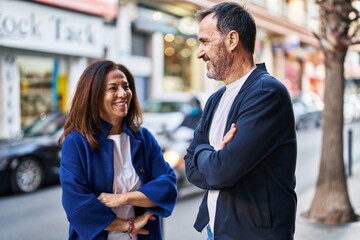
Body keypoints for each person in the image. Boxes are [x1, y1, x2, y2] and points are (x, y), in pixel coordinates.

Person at [184, 2, 297, 240]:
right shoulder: (215, 99)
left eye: (205, 41)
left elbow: (221, 172)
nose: (199, 52)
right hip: (216, 230)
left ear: (232, 40)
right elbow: (190, 167)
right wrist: (213, 155)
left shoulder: (267, 93)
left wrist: (204, 153)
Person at [58, 60, 177, 240]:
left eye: (126, 86)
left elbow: (168, 186)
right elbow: (78, 206)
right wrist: (129, 225)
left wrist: (124, 198)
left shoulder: (143, 138)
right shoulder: (76, 142)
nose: (123, 94)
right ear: (94, 95)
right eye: (113, 88)